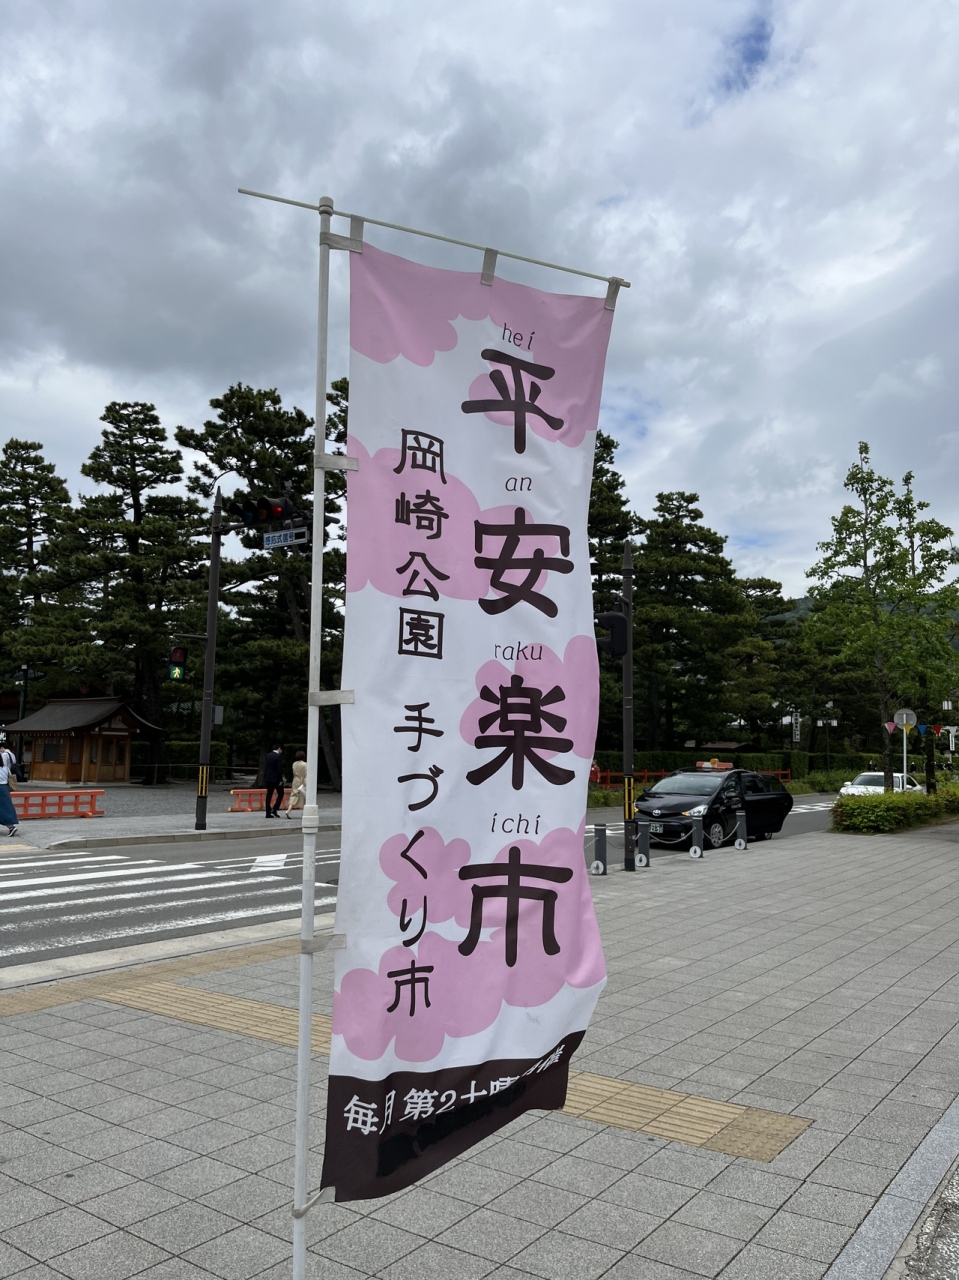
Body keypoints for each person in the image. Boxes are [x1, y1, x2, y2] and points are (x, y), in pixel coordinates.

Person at [0, 745, 20, 837]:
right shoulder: (5, 768)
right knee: (6, 808)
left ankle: (11, 827)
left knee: (2, 810)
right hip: (5, 788)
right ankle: (11, 826)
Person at [263, 743, 285, 818]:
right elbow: (279, 769)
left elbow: (266, 767)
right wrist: (280, 780)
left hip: (269, 778)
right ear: (279, 749)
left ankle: (267, 812)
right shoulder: (278, 757)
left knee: (269, 795)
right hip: (276, 779)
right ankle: (275, 808)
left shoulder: (268, 755)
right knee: (281, 793)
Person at [284, 750, 307, 818]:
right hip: (302, 780)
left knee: (294, 795)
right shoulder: (305, 764)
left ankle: (288, 810)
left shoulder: (294, 764)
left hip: (295, 780)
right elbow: (306, 774)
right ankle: (305, 812)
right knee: (304, 796)